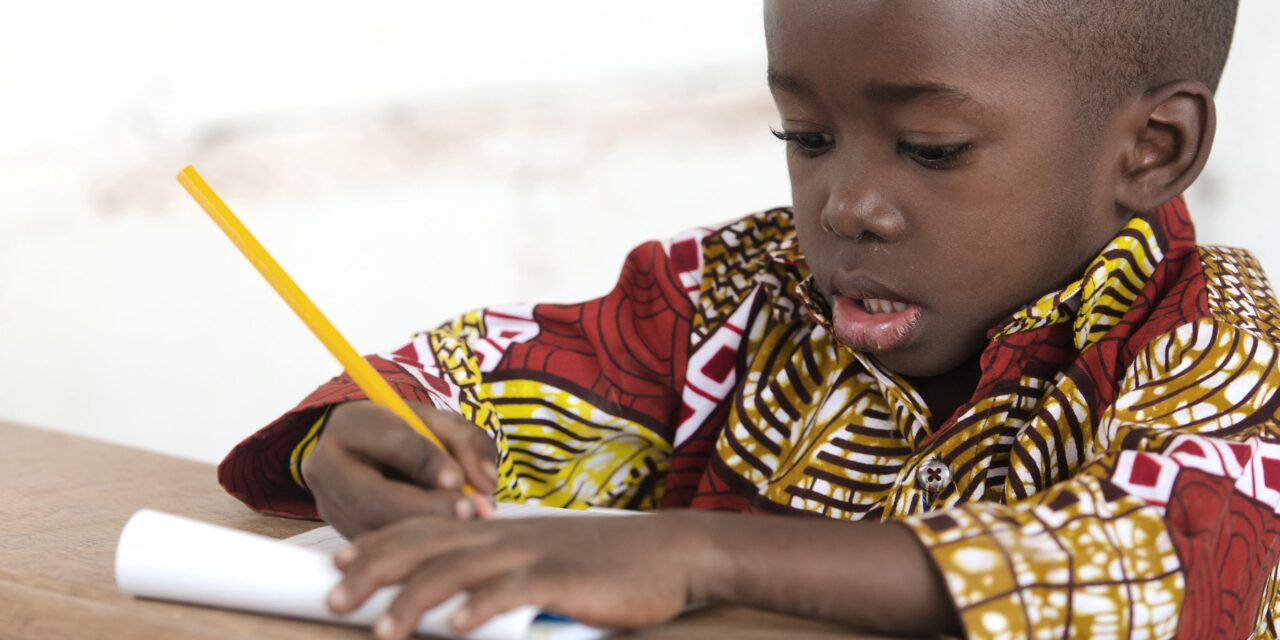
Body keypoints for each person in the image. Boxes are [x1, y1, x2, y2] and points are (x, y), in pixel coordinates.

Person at [218, 1, 1280, 638]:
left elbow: (1171, 565)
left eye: (928, 149)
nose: (843, 204)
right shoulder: (735, 295)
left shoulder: (1212, 342)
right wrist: (378, 432)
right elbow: (492, 374)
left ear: (1151, 148)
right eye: (806, 135)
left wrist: (699, 557)